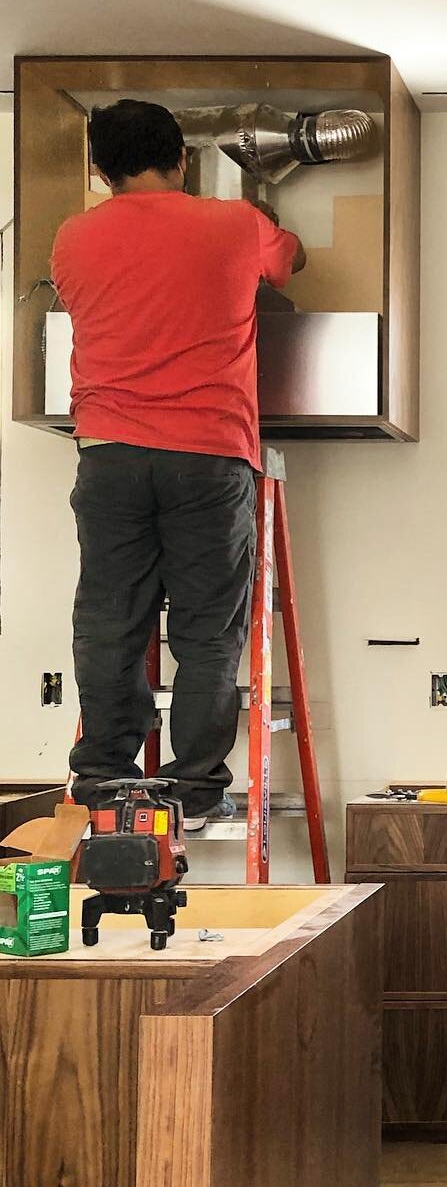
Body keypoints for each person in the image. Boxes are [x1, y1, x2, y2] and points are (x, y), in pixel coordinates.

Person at [50, 97, 307, 829]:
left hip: (107, 453)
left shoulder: (73, 237)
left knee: (109, 620)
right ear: (183, 159)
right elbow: (288, 263)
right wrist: (259, 212)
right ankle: (194, 792)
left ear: (100, 170)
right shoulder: (233, 225)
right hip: (207, 452)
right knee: (204, 630)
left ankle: (102, 778)